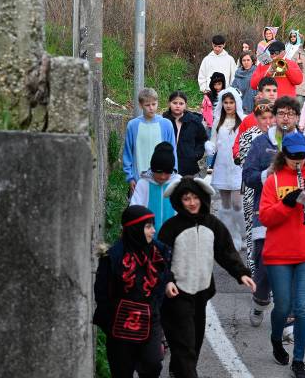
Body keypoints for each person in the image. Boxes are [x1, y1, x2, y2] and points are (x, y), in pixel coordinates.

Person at [159, 177, 255, 378]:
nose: (192, 203)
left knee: (195, 340)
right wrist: (167, 281)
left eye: (195, 197)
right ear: (179, 201)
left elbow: (226, 251)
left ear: (202, 198)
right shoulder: (171, 227)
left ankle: (178, 369)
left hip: (201, 293)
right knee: (184, 343)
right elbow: (160, 260)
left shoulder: (213, 224)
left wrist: (241, 273)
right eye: (186, 199)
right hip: (177, 295)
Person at [259, 133, 305, 378]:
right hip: (279, 254)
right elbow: (265, 217)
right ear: (285, 156)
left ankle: (299, 360)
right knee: (282, 307)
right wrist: (287, 203)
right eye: (293, 157)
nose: (298, 161)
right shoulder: (273, 181)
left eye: (302, 157)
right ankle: (276, 339)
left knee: (302, 309)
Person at [93, 205, 171, 378]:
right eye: (148, 227)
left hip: (150, 319)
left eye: (152, 226)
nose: (153, 231)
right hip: (119, 324)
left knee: (152, 365)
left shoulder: (159, 252)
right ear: (135, 228)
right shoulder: (113, 257)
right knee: (122, 371)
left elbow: (166, 274)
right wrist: (110, 320)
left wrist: (168, 283)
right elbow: (101, 292)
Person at [234, 100, 274, 323]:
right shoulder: (250, 136)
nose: (267, 122)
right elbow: (244, 164)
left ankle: (267, 282)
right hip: (254, 191)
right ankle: (255, 276)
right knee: (254, 236)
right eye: (263, 119)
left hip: (275, 193)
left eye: (270, 118)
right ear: (256, 119)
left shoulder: (280, 137)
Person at [204, 89, 246, 251]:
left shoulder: (243, 120)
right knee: (226, 205)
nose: (228, 105)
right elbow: (213, 141)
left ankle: (244, 234)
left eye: (231, 102)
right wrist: (210, 147)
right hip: (222, 166)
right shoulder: (218, 121)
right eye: (225, 102)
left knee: (237, 203)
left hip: (237, 166)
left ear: (237, 103)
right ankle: (231, 237)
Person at [123, 88, 177, 193]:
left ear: (158, 103)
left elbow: (172, 151)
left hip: (163, 178)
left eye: (154, 104)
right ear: (140, 105)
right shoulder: (133, 125)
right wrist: (130, 177)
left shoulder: (166, 124)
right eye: (147, 105)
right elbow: (128, 152)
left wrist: (173, 172)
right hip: (138, 179)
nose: (151, 108)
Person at [130, 142, 181, 235]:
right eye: (159, 172)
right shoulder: (143, 183)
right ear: (152, 169)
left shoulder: (178, 183)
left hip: (173, 237)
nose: (162, 176)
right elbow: (134, 209)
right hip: (148, 238)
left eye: (167, 172)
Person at [163, 91, 207, 177]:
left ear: (185, 105)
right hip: (167, 167)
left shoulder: (194, 121)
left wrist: (195, 155)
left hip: (189, 168)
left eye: (181, 103)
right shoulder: (164, 121)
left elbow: (202, 140)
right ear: (169, 103)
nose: (178, 106)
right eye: (175, 103)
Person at [232, 77, 276, 160]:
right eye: (268, 90)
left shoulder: (283, 117)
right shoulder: (249, 119)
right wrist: (238, 155)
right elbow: (238, 142)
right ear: (260, 94)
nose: (272, 94)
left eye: (274, 90)